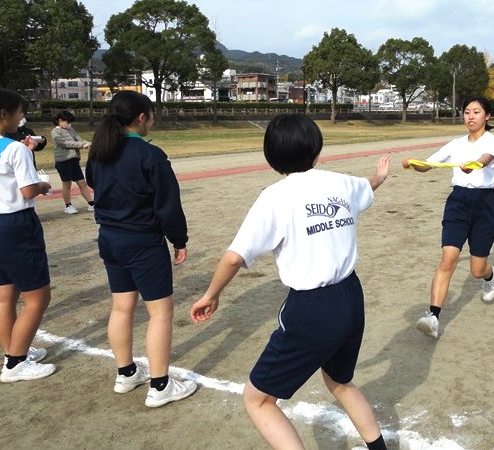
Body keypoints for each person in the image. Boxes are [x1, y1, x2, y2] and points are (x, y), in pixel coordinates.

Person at [191, 113, 391, 450]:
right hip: (351, 298)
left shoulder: (275, 197)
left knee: (257, 400)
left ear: (272, 157)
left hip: (311, 310)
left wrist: (211, 294)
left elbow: (234, 256)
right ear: (316, 148)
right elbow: (365, 188)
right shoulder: (342, 183)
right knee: (340, 382)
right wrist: (380, 176)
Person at [85, 91, 196, 408]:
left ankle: (126, 373)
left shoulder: (100, 152)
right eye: (151, 114)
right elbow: (169, 205)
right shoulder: (150, 155)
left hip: (110, 238)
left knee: (121, 307)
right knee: (159, 311)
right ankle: (160, 385)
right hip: (142, 241)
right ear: (141, 118)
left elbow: (94, 184)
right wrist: (180, 239)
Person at [402, 96, 494, 339]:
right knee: (449, 257)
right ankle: (433, 316)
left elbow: (486, 159)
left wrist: (475, 164)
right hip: (457, 203)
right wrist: (413, 163)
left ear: (487, 116)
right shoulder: (455, 144)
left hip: (483, 205)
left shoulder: (493, 142)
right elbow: (429, 165)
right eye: (467, 111)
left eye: (476, 112)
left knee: (477, 269)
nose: (470, 116)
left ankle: (490, 276)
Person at [0, 87, 55, 381]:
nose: (22, 117)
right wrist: (44, 186)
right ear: (4, 114)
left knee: (4, 296)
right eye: (20, 111)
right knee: (38, 297)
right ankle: (15, 363)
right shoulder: (15, 149)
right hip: (13, 226)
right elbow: (27, 190)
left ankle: (14, 349)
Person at [51, 110, 94, 214]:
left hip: (74, 160)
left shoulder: (70, 129)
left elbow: (78, 139)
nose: (69, 124)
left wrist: (89, 143)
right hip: (63, 161)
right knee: (67, 184)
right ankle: (68, 205)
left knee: (81, 182)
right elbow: (64, 143)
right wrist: (81, 145)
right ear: (60, 121)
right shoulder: (55, 131)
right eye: (67, 122)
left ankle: (91, 203)